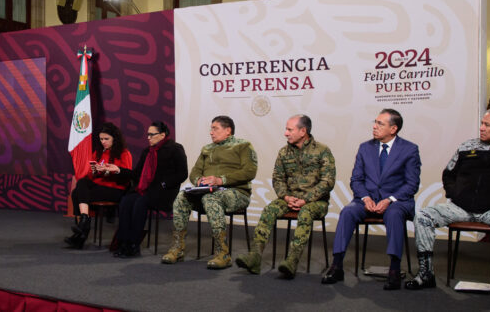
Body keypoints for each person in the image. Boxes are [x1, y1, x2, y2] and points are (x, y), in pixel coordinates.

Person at [405, 108, 490, 308]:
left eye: (487, 125)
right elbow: (448, 174)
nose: (481, 128)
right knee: (423, 216)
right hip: (461, 207)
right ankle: (426, 274)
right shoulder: (467, 147)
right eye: (482, 124)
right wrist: (454, 193)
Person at [321, 109, 421, 289]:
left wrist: (390, 199)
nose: (374, 127)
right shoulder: (365, 148)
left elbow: (411, 184)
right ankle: (337, 265)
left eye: (380, 124)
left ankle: (394, 269)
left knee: (394, 214)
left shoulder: (409, 150)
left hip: (396, 201)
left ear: (393, 129)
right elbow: (356, 180)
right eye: (375, 122)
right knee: (348, 212)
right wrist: (365, 197)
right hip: (367, 200)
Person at [235, 114, 335, 279]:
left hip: (316, 202)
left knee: (306, 212)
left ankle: (292, 260)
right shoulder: (284, 152)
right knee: (269, 210)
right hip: (290, 198)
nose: (285, 133)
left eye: (290, 129)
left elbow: (327, 181)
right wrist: (287, 197)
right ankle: (255, 257)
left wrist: (306, 199)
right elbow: (278, 179)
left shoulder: (322, 150)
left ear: (303, 131)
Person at [161, 115, 258, 269]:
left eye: (215, 129)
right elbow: (194, 173)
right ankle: (177, 248)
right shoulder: (207, 149)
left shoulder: (243, 146)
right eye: (211, 129)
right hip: (208, 192)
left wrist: (220, 180)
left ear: (228, 130)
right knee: (181, 197)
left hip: (237, 193)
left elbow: (249, 171)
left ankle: (223, 253)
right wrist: (199, 181)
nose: (211, 132)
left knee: (211, 199)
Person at [113, 121, 188, 258]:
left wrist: (165, 184)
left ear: (162, 135)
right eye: (147, 134)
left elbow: (182, 173)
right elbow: (136, 174)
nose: (148, 137)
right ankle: (123, 242)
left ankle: (134, 245)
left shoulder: (175, 148)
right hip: (146, 190)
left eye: (151, 135)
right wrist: (118, 170)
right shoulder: (147, 151)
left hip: (164, 192)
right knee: (126, 201)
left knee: (140, 202)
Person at [64, 122, 133, 249]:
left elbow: (127, 175)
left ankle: (82, 230)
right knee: (82, 183)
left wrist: (111, 170)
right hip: (99, 185)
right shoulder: (99, 152)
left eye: (106, 139)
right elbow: (91, 176)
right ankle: (84, 220)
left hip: (115, 189)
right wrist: (95, 171)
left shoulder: (124, 153)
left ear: (114, 138)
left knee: (77, 194)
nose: (103, 142)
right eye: (101, 139)